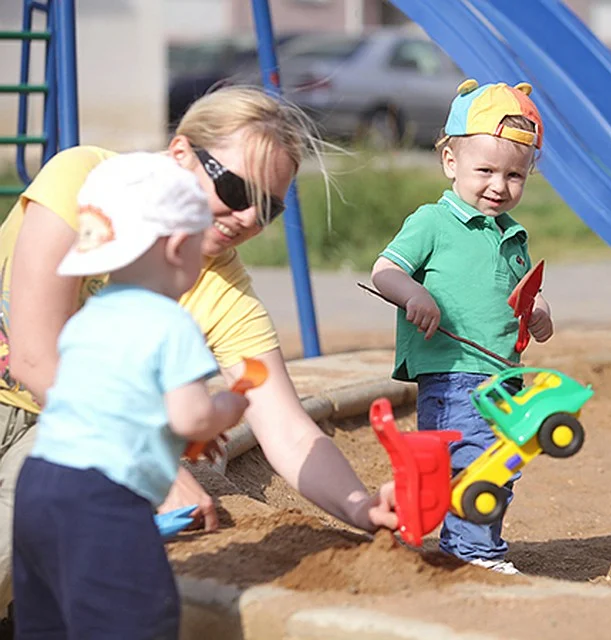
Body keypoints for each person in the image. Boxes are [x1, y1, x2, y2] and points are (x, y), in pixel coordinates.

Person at [0, 86, 397, 612]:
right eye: (235, 189)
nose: (247, 219)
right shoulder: (90, 183)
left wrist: (361, 508)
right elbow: (33, 356)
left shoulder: (221, 285)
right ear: (182, 153)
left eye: (268, 208)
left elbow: (285, 426)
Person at [12, 153, 248, 639]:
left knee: (49, 623)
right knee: (133, 619)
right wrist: (229, 407)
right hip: (103, 501)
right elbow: (191, 416)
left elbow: (103, 399)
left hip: (40, 486)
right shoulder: (170, 322)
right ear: (179, 246)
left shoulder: (89, 316)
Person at [370, 79, 554, 575]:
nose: (499, 186)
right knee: (477, 460)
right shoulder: (432, 221)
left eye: (515, 175)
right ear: (451, 162)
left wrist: (537, 316)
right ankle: (472, 550)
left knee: (502, 463)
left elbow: (519, 298)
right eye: (486, 170)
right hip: (453, 372)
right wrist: (415, 294)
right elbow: (384, 271)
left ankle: (465, 541)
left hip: (504, 374)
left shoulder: (514, 235)